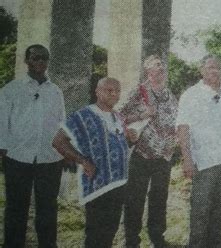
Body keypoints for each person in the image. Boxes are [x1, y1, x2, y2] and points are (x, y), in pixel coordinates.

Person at [52, 77, 138, 248]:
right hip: (98, 185)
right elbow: (58, 141)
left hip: (119, 183)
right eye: (109, 90)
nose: (114, 94)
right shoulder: (83, 115)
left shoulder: (117, 116)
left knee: (109, 232)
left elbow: (113, 143)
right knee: (95, 235)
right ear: (97, 92)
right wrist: (83, 160)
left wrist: (130, 139)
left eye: (117, 91)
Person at [0, 44, 65, 248]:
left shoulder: (55, 91)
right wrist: (4, 151)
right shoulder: (12, 89)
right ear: (27, 61)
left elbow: (61, 123)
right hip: (18, 157)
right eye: (36, 58)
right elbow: (2, 122)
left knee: (48, 209)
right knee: (16, 208)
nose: (41, 62)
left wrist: (64, 152)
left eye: (44, 58)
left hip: (49, 159)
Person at [176, 55, 221, 247]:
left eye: (218, 67)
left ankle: (215, 243)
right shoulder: (191, 95)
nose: (215, 71)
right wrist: (187, 159)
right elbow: (183, 128)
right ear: (201, 70)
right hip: (205, 161)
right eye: (210, 67)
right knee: (201, 208)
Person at [120, 55, 178, 248]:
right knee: (135, 198)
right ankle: (131, 241)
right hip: (141, 154)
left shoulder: (169, 94)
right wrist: (143, 114)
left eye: (163, 66)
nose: (161, 69)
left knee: (159, 198)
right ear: (148, 72)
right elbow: (119, 115)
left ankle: (157, 237)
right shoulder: (139, 91)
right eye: (156, 66)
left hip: (164, 156)